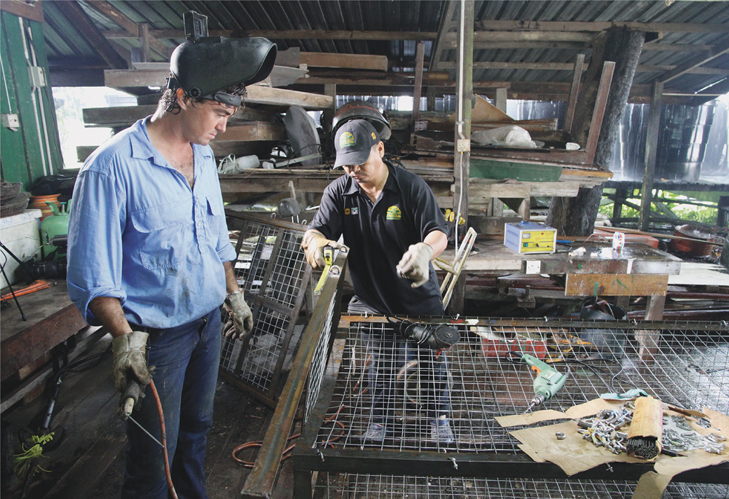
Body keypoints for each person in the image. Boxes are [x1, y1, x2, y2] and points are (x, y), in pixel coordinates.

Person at [67, 36, 276, 499]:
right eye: (219, 114)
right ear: (182, 98)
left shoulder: (202, 154)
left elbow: (216, 235)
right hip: (157, 339)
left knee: (197, 431)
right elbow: (92, 273)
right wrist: (123, 339)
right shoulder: (110, 168)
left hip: (207, 325)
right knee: (153, 453)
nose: (224, 126)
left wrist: (233, 292)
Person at [301, 119, 454, 443]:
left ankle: (439, 417)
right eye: (347, 166)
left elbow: (439, 232)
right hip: (372, 299)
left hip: (418, 297)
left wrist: (426, 250)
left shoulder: (411, 187)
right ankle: (380, 421)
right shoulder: (340, 192)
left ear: (380, 150)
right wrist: (314, 241)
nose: (354, 171)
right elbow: (317, 229)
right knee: (381, 366)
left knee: (431, 364)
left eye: (360, 163)